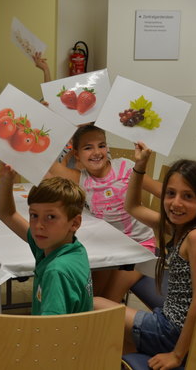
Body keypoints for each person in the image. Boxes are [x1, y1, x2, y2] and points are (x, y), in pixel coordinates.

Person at [117, 141, 196, 369]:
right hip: (171, 321)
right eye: (170, 194)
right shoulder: (179, 227)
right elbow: (132, 207)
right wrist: (140, 166)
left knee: (97, 307)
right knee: (104, 310)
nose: (176, 203)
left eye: (187, 196)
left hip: (172, 331)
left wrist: (177, 355)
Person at [48, 124, 162, 304]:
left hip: (139, 248)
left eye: (101, 145)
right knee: (91, 296)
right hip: (107, 248)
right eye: (88, 147)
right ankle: (89, 328)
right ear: (76, 154)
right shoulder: (81, 179)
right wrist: (45, 120)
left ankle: (106, 329)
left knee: (109, 299)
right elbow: (48, 164)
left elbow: (161, 191)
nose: (97, 152)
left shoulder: (125, 167)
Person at [0, 163, 93, 315]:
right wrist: (6, 179)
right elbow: (6, 213)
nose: (38, 225)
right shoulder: (70, 247)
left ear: (74, 223)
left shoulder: (56, 271)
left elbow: (51, 334)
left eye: (50, 217)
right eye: (34, 215)